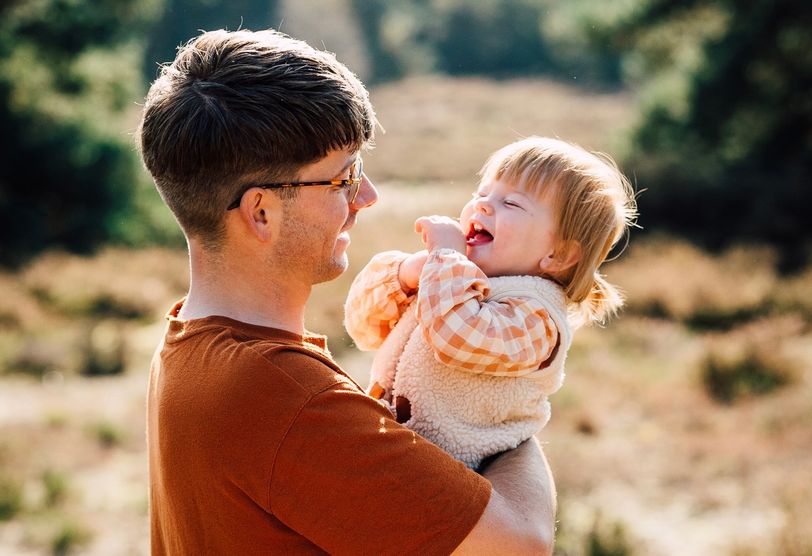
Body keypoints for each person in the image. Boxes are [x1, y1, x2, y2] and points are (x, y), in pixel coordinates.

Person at [137, 29, 556, 555]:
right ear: (261, 212)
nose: (368, 195)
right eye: (343, 178)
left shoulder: (188, 343)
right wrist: (516, 412)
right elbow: (522, 542)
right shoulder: (291, 403)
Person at [345, 136, 637, 469]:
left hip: (448, 476)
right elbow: (362, 326)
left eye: (511, 204)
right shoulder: (453, 278)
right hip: (392, 452)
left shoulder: (538, 320)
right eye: (481, 193)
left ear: (559, 254)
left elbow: (457, 338)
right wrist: (406, 273)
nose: (482, 206)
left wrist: (446, 256)